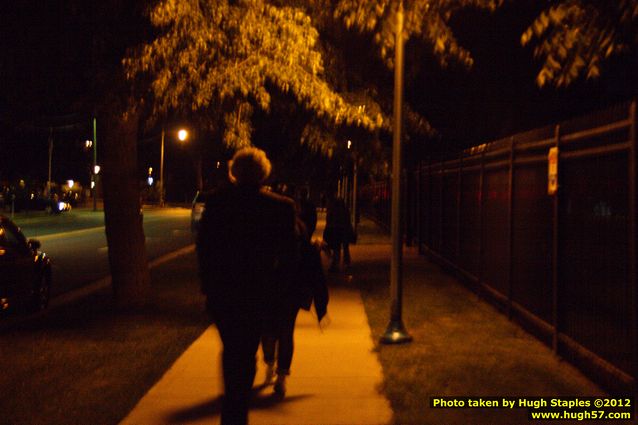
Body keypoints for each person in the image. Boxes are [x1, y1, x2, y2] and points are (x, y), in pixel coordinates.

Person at [196, 147, 297, 425]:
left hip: (225, 293)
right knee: (247, 348)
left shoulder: (217, 204)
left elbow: (205, 249)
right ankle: (236, 410)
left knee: (233, 349)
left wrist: (207, 287)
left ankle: (234, 408)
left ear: (235, 171)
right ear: (264, 172)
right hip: (258, 293)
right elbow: (289, 256)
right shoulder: (280, 207)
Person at [260, 215, 328, 398]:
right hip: (282, 292)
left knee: (275, 331)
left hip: (280, 292)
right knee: (280, 332)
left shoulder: (274, 232)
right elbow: (312, 267)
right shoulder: (290, 232)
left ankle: (276, 369)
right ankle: (276, 369)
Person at [323, 195, 354, 272]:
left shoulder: (333, 211)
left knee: (336, 248)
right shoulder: (345, 210)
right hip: (343, 230)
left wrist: (327, 229)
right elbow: (348, 221)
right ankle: (346, 263)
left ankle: (335, 264)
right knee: (345, 248)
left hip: (336, 230)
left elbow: (329, 221)